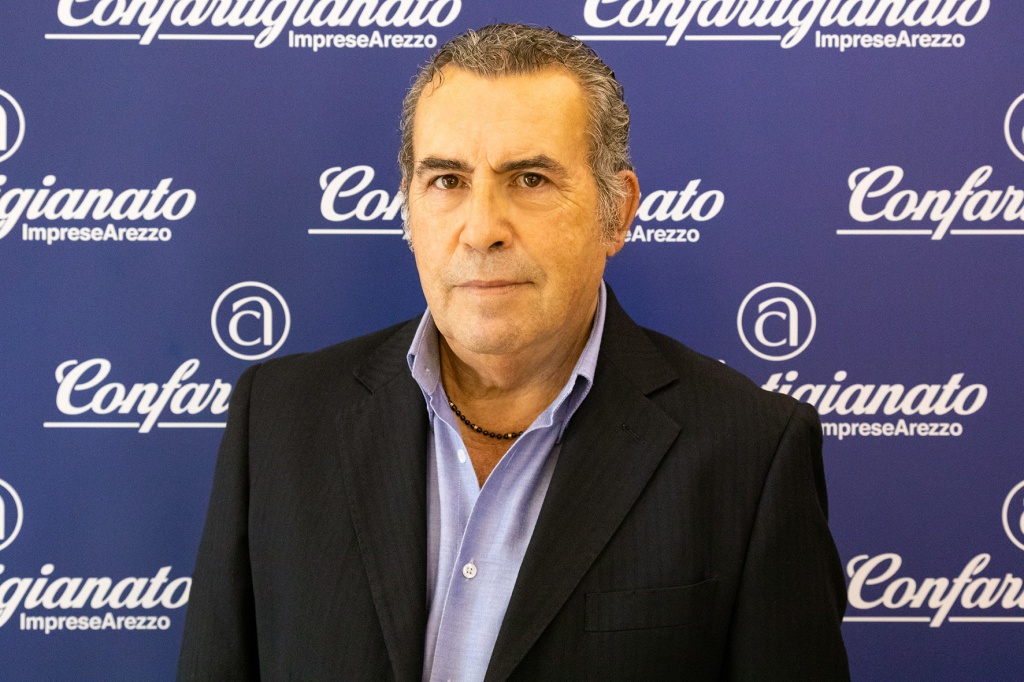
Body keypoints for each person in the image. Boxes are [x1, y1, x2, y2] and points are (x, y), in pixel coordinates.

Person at [178, 23, 849, 681]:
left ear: (617, 213)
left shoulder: (750, 454)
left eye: (529, 179)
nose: (481, 230)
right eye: (447, 180)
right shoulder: (278, 421)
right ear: (409, 207)